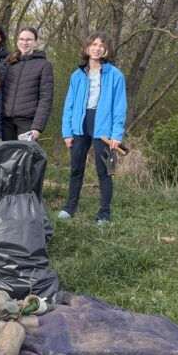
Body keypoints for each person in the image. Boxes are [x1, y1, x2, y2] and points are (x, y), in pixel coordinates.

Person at [58, 31, 127, 226]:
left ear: (107, 50)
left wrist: (116, 135)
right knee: (76, 169)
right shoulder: (77, 75)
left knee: (104, 171)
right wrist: (67, 132)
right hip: (80, 126)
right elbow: (69, 105)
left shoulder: (115, 75)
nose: (97, 48)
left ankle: (104, 213)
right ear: (87, 48)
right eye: (94, 44)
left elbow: (120, 107)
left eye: (101, 45)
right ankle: (69, 207)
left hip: (103, 129)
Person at [1, 27, 54, 141]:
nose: (24, 43)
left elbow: (46, 99)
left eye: (29, 40)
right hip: (5, 122)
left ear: (35, 42)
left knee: (25, 153)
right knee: (6, 152)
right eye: (21, 39)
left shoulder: (44, 65)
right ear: (17, 41)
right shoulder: (10, 62)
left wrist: (37, 126)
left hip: (27, 123)